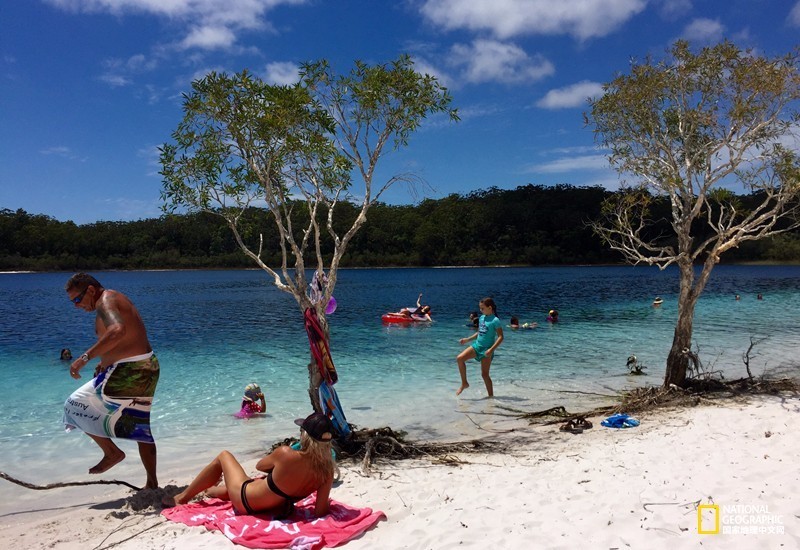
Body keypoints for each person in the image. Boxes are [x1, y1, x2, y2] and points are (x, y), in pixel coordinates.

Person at [63, 273, 160, 489]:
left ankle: (111, 452)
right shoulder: (114, 298)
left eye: (77, 300)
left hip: (130, 370)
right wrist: (106, 362)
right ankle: (152, 484)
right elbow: (125, 338)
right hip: (146, 366)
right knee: (139, 425)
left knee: (73, 405)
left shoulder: (105, 301)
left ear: (90, 290)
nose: (76, 306)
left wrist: (84, 358)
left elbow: (118, 331)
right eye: (73, 303)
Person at [163, 412, 335, 518]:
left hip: (246, 500)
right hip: (274, 505)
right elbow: (320, 511)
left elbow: (260, 466)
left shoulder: (286, 454)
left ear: (304, 435)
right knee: (216, 492)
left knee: (224, 456)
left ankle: (182, 498)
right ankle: (209, 490)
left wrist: (285, 457)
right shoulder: (327, 470)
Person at [456, 297, 503, 397]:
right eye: (480, 308)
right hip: (477, 346)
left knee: (484, 375)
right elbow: (479, 332)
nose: (480, 311)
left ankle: (491, 397)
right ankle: (464, 383)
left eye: (482, 308)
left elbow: (501, 337)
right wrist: (467, 339)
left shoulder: (495, 320)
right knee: (460, 358)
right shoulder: (482, 318)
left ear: (489, 308)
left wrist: (491, 350)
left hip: (487, 350)